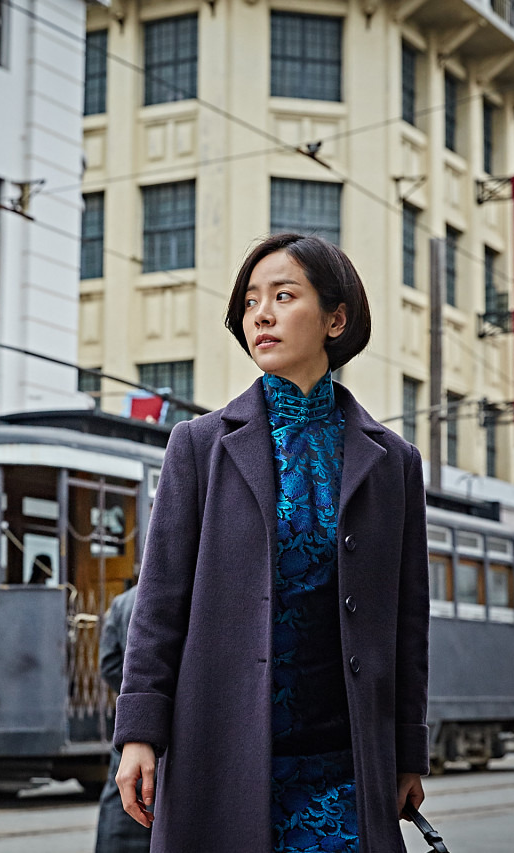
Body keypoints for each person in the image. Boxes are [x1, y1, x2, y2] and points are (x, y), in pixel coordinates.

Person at [113, 234, 430, 852]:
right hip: (225, 750)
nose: (261, 313)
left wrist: (407, 751)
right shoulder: (200, 446)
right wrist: (139, 733)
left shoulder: (393, 462)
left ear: (336, 319)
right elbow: (160, 605)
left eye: (284, 296)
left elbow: (406, 624)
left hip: (346, 760)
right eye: (252, 301)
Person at [96, 581, 150, 853]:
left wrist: (133, 696)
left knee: (123, 795)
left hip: (134, 721)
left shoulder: (122, 602)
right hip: (183, 721)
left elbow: (109, 664)